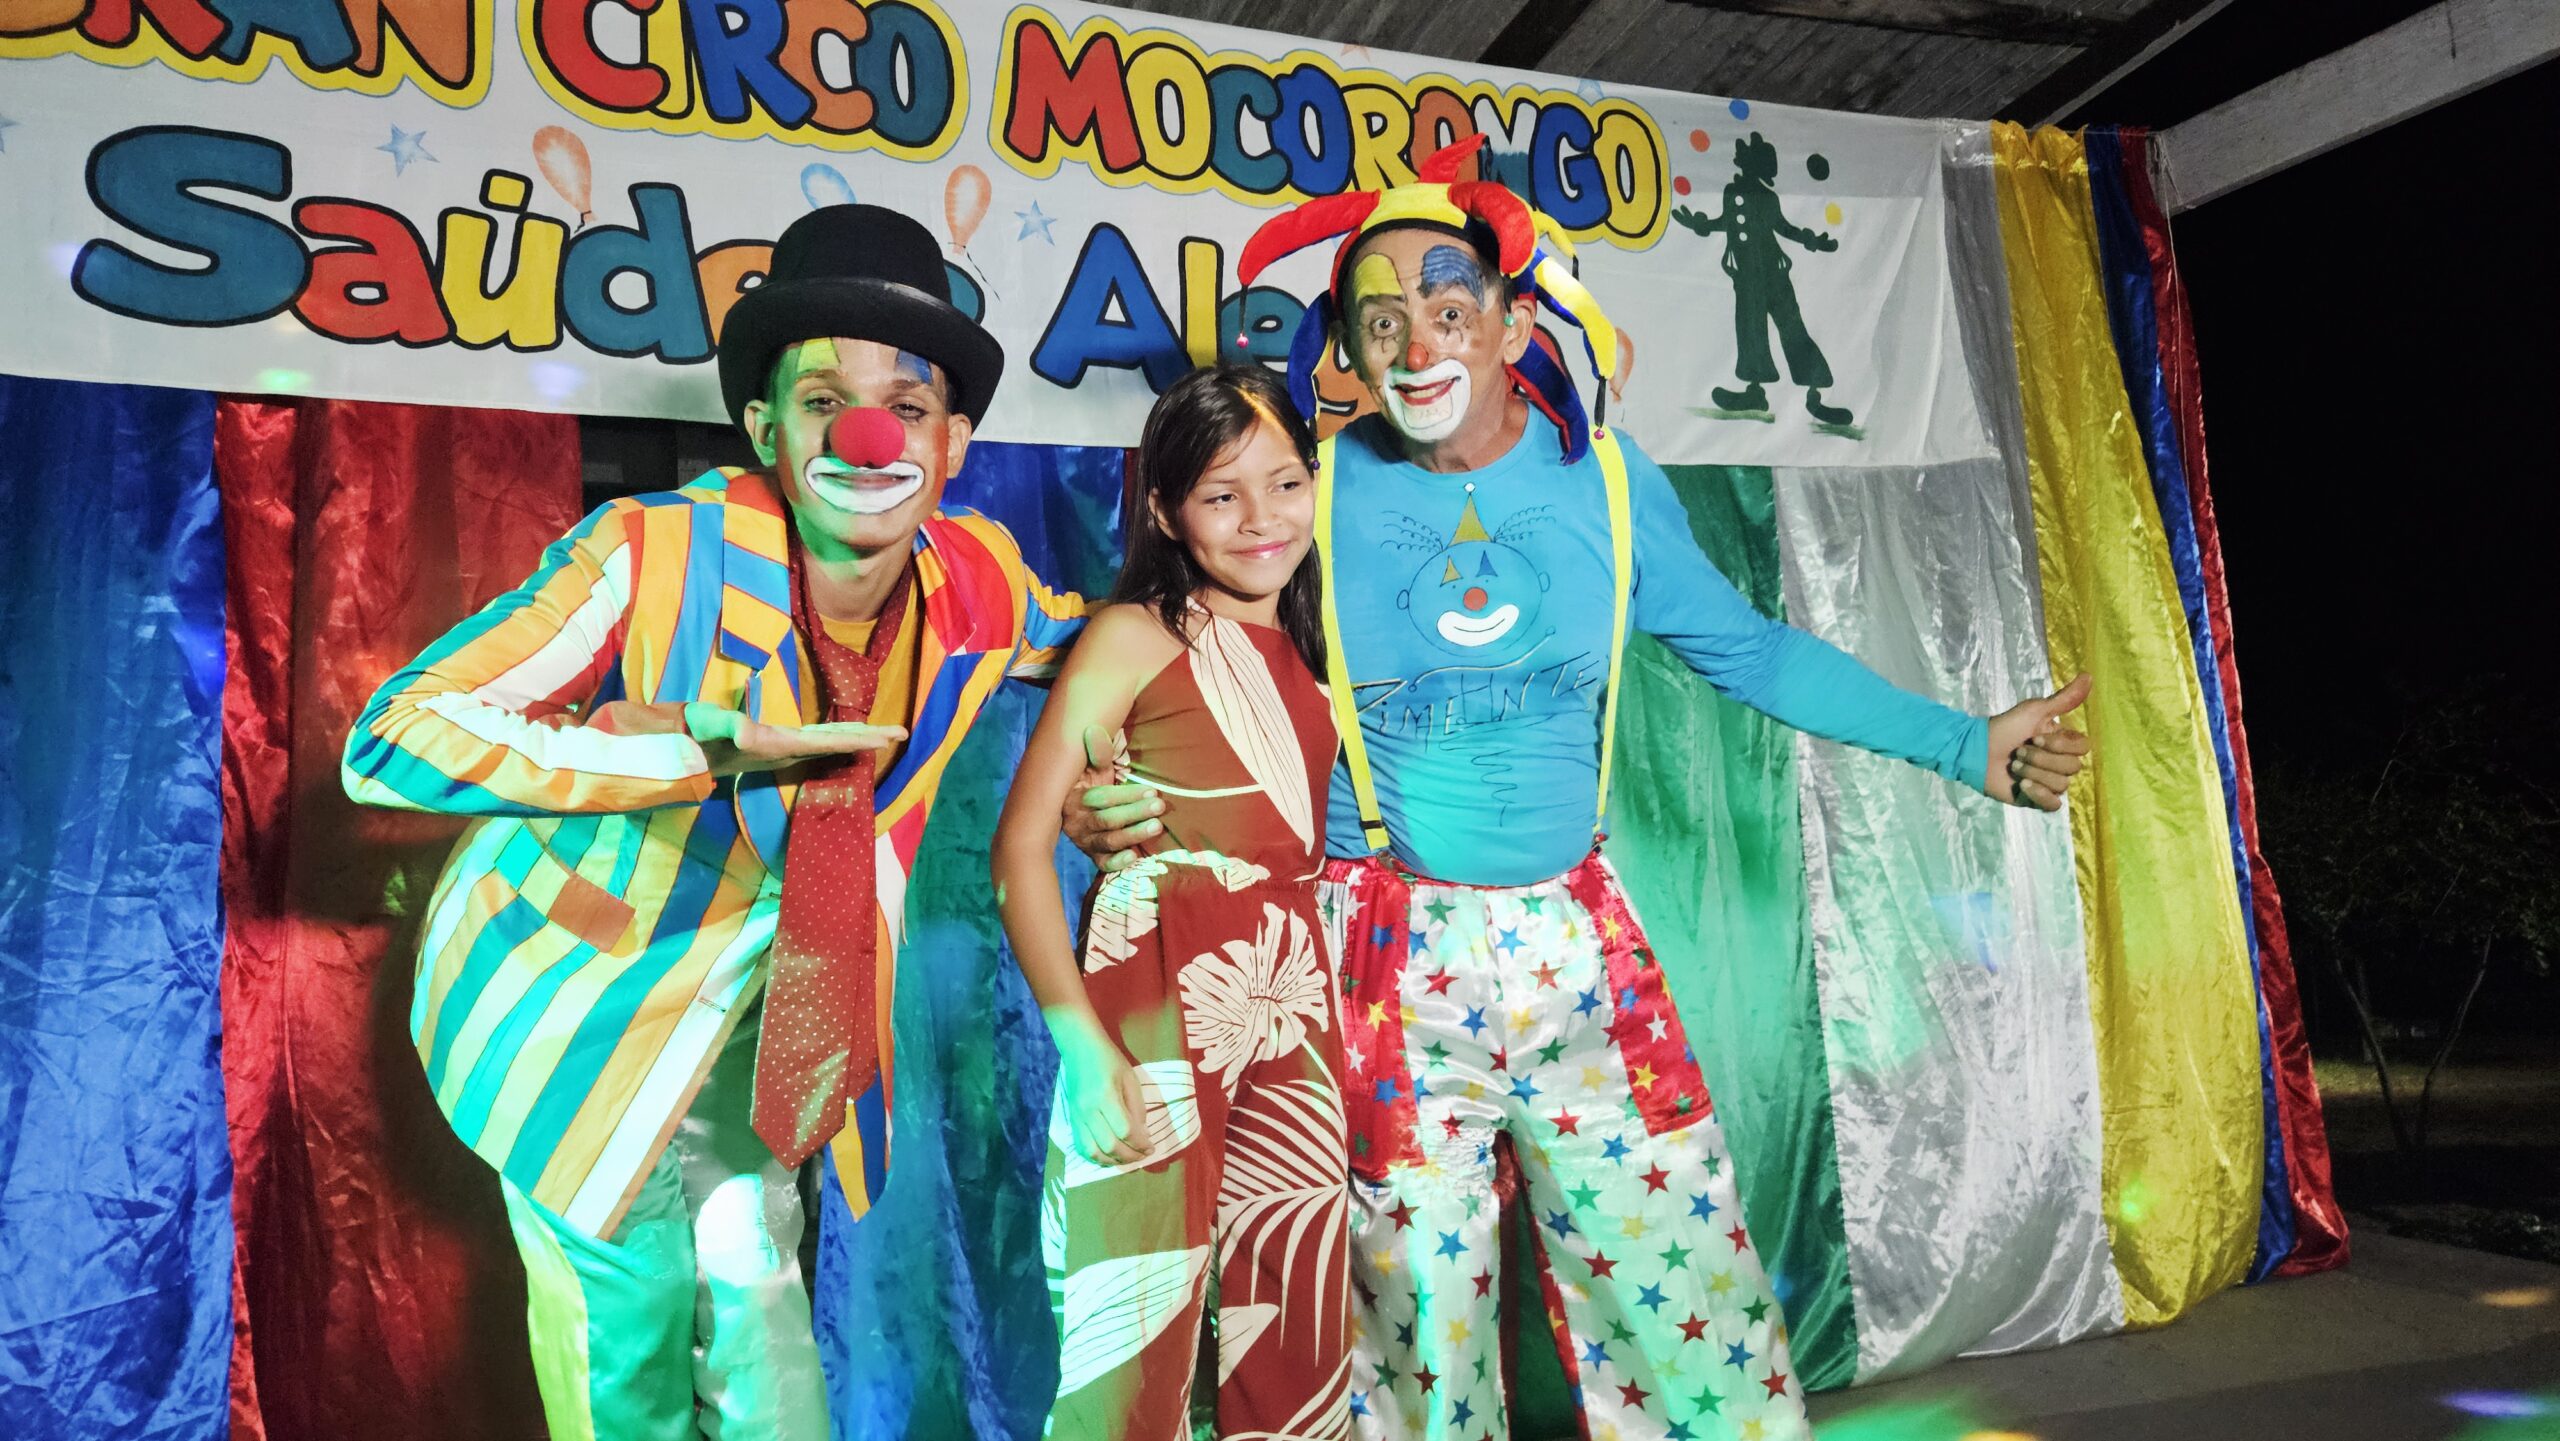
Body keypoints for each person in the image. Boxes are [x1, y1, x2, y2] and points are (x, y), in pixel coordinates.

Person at [1066, 138, 2093, 1441]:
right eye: (1381, 321)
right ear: (1348, 351)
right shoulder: (1308, 493)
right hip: (1380, 956)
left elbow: (1751, 649)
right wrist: (1113, 804)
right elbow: (1196, 672)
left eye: (1449, 309)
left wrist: (1963, 743)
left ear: (1511, 321)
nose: (1417, 343)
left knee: (1685, 1300)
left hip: (1576, 941)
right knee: (1412, 1334)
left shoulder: (1606, 480)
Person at [342, 204, 1082, 1440]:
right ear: (763, 427)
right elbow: (394, 735)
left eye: (905, 405)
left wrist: (1121, 758)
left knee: (761, 1323)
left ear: (951, 441)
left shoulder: (978, 579)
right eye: (823, 401)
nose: (866, 436)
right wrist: (690, 751)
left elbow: (1092, 647)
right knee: (625, 1339)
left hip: (754, 1027)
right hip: (570, 1012)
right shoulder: (652, 553)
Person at [993, 365, 1349, 1439]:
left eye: (1286, 483)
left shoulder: (1316, 650)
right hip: (1154, 991)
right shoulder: (1134, 635)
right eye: (1221, 494)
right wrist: (1080, 1040)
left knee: (1296, 1305)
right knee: (1132, 1316)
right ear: (1163, 510)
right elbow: (1019, 848)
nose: (1261, 518)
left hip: (1292, 992)